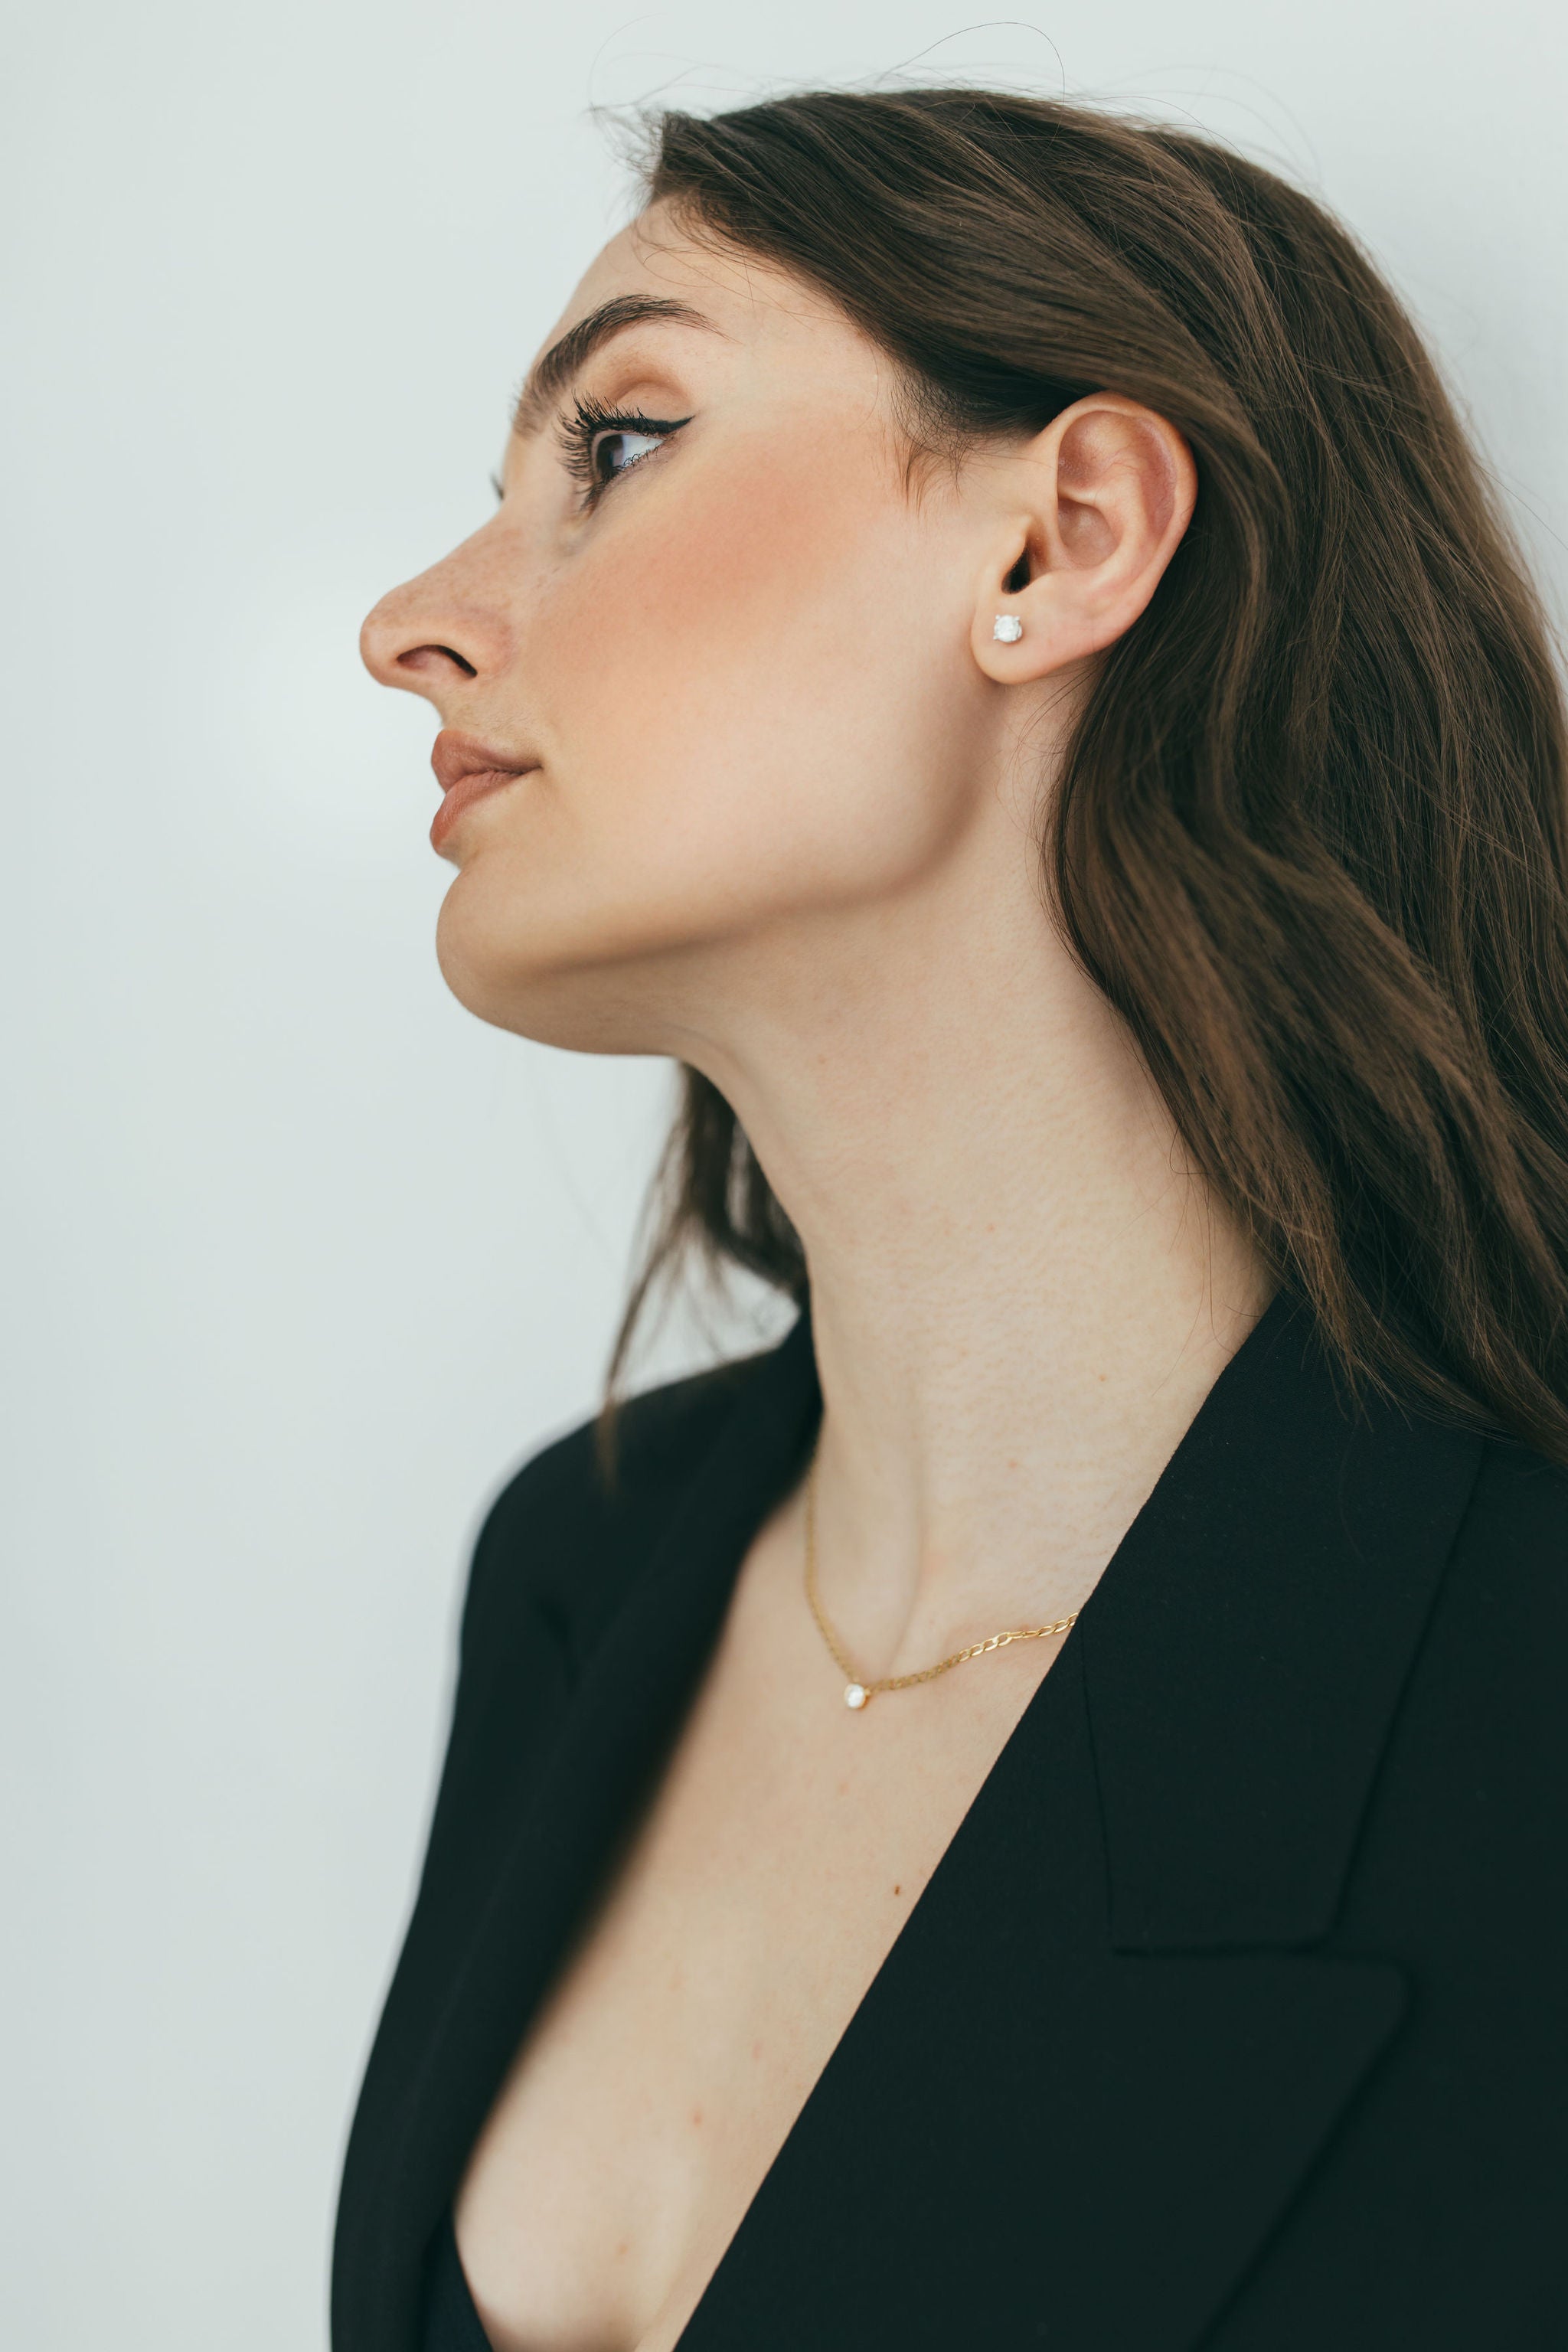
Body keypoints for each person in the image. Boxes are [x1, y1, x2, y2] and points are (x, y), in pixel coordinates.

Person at [337, 86, 1568, 2352]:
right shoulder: (580, 1574)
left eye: (615, 443)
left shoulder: (1520, 1687)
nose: (408, 625)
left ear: (1060, 539)